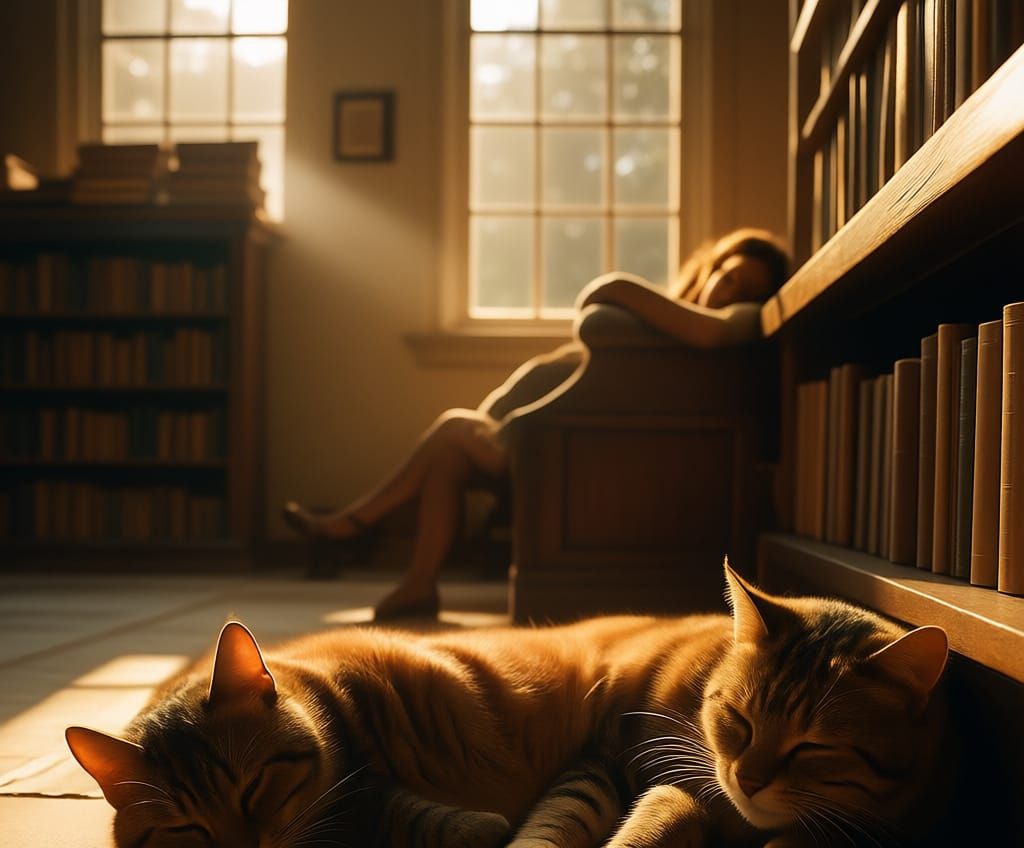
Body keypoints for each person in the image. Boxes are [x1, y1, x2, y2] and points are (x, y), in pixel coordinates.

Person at [283, 227, 790, 620]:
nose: (726, 288)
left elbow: (679, 318)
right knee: (447, 454)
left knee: (452, 429)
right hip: (540, 429)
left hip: (559, 445)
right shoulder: (663, 325)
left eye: (743, 285)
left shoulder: (731, 323)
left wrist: (614, 287)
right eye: (725, 273)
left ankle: (351, 525)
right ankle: (416, 580)